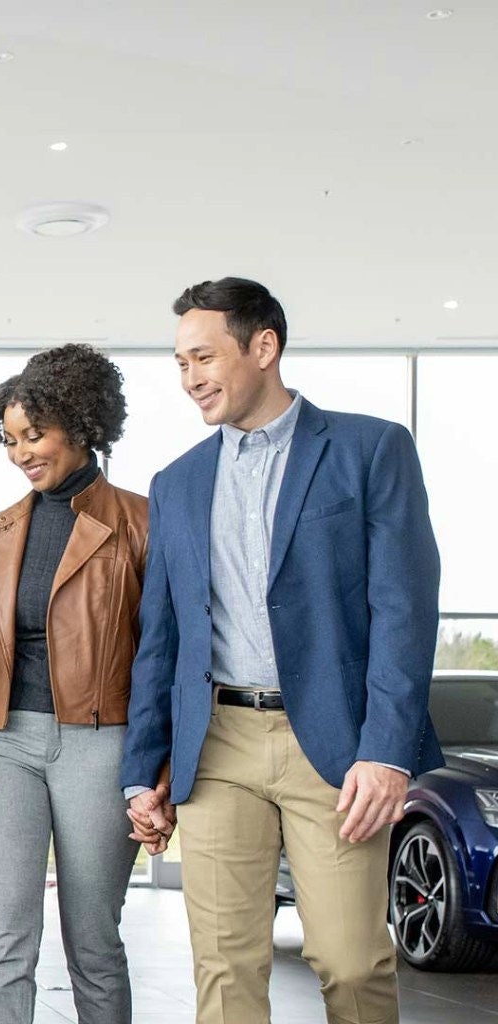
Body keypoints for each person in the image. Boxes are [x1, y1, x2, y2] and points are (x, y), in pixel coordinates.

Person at [121, 277, 443, 1024]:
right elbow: (161, 636)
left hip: (334, 744)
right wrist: (144, 767)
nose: (190, 377)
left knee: (351, 959)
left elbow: (404, 608)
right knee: (225, 970)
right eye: (179, 362)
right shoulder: (177, 482)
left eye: (203, 356)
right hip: (220, 744)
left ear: (263, 347)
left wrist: (387, 751)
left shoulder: (371, 449)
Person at [0, 344, 158, 1024]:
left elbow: (162, 653)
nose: (22, 452)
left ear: (82, 425)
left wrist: (158, 763)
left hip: (101, 743)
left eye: (35, 434)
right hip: (3, 744)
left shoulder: (143, 522)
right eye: (12, 439)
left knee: (94, 941)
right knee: (2, 939)